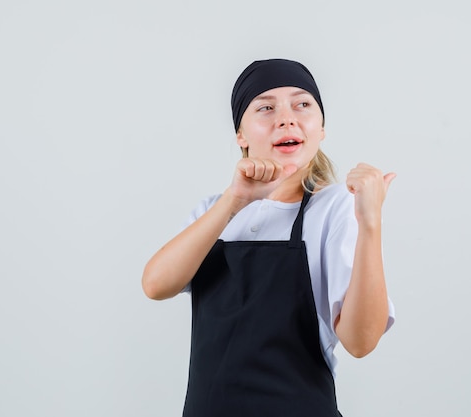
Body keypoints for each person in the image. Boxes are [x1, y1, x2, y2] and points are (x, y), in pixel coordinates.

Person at [142, 58, 396, 416]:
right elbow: (155, 285)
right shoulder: (215, 211)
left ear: (321, 128)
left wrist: (370, 223)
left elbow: (360, 341)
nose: (287, 118)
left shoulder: (335, 207)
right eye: (265, 107)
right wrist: (235, 200)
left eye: (302, 104)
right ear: (241, 136)